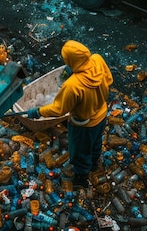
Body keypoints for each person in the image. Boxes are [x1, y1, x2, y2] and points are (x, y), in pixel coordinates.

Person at [26, 40, 113, 188]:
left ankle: (81, 179)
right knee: (96, 142)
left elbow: (58, 110)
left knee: (80, 152)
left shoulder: (72, 85)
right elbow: (109, 79)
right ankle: (94, 164)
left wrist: (39, 111)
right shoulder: (97, 59)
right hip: (102, 114)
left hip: (84, 125)